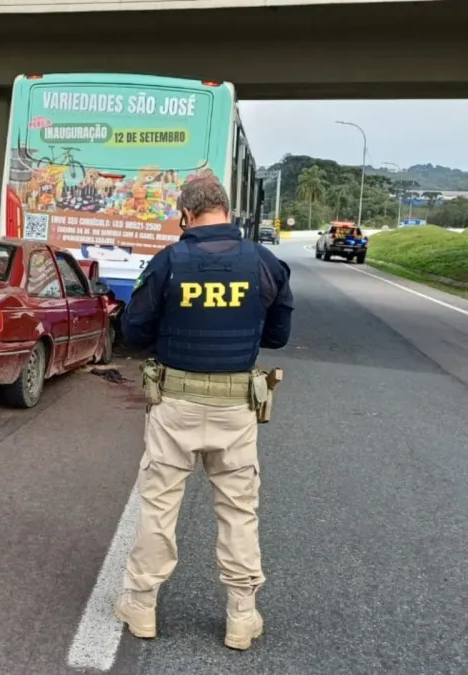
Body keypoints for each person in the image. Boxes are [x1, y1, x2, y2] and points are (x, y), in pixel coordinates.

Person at [114, 174, 294, 651]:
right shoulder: (264, 263)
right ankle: (241, 615)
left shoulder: (169, 261)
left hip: (175, 404)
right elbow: (277, 336)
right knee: (238, 511)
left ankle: (142, 606)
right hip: (237, 407)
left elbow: (134, 331)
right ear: (226, 211)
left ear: (185, 215)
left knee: (159, 506)